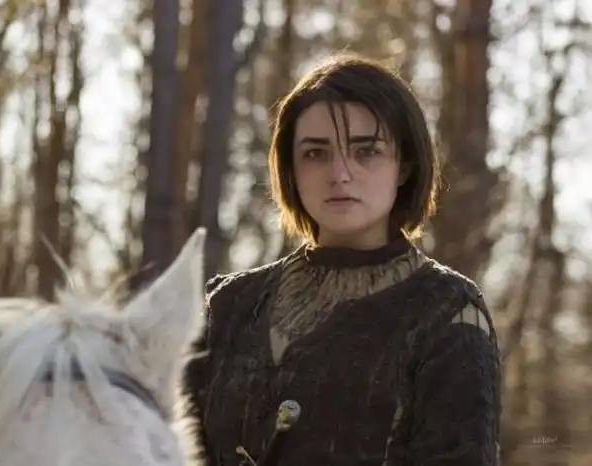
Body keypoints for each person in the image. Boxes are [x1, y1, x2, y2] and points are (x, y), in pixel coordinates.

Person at [181, 52, 501, 465]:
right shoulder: (228, 306)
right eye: (316, 153)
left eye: (366, 151)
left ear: (404, 165)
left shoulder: (449, 311)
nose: (340, 174)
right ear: (290, 168)